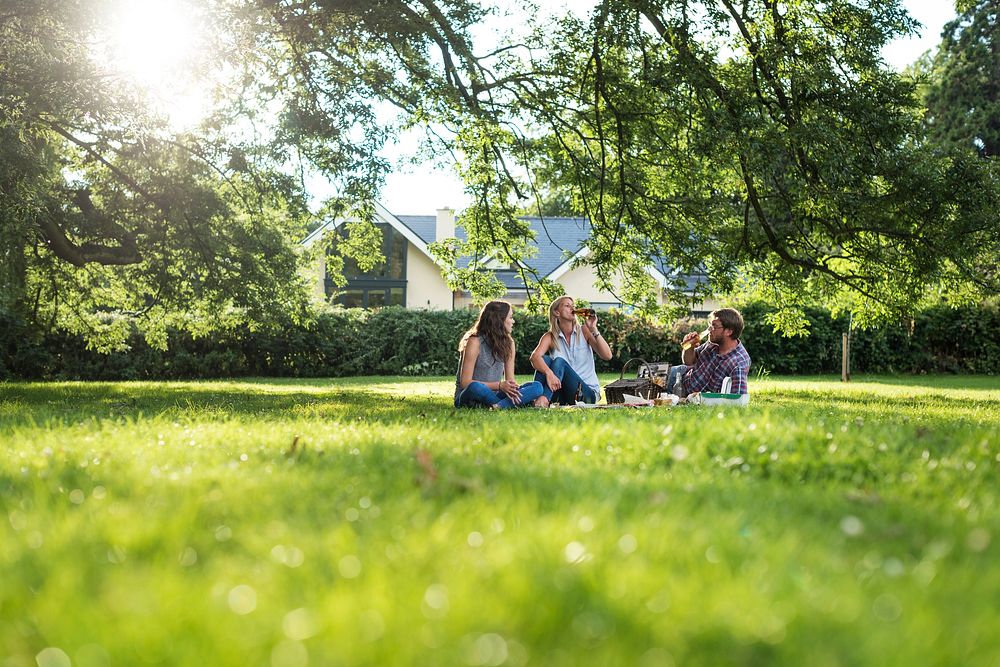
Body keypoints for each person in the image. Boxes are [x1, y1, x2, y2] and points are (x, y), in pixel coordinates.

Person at [455, 301, 544, 409]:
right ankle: (509, 405)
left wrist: (512, 389)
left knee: (537, 387)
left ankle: (498, 406)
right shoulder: (475, 341)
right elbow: (465, 382)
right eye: (510, 317)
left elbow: (510, 382)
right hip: (470, 395)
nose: (513, 321)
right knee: (476, 387)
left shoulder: (509, 343)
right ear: (499, 320)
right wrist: (499, 385)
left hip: (493, 395)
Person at [530, 295, 613, 407]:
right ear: (557, 312)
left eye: (572, 306)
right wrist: (548, 373)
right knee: (544, 360)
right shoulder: (550, 337)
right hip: (563, 393)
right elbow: (534, 357)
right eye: (567, 306)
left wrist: (593, 328)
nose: (572, 308)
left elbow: (607, 356)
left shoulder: (584, 331)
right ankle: (538, 397)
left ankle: (543, 398)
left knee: (559, 361)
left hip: (586, 394)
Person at [666, 307, 751, 399]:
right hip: (679, 379)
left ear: (729, 331)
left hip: (692, 398)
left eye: (714, 326)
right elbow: (689, 362)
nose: (709, 329)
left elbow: (738, 399)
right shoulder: (712, 344)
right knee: (652, 378)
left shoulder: (738, 362)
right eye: (710, 325)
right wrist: (690, 347)